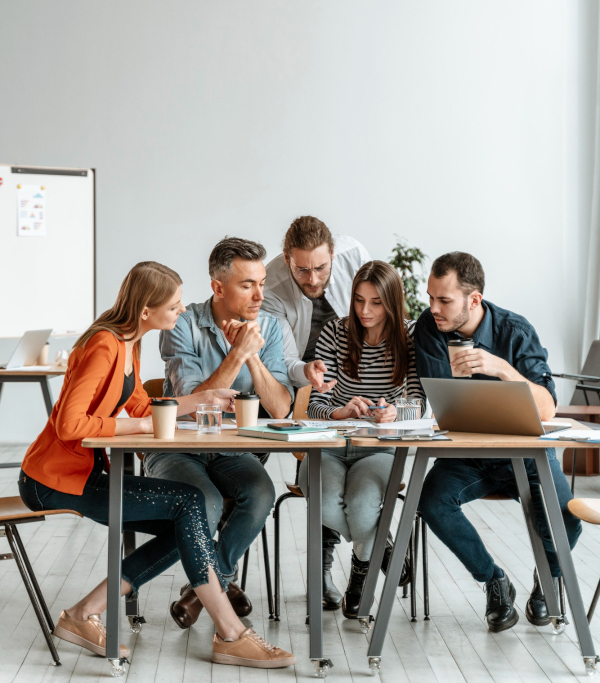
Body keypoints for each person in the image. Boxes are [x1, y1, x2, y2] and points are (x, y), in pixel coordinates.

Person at [18, 261, 295, 669]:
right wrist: (144, 424)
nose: (183, 311)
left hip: (82, 475)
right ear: (146, 310)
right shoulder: (103, 345)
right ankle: (231, 632)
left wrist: (200, 399)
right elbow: (70, 424)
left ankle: (84, 613)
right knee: (189, 505)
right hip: (53, 479)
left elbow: (142, 405)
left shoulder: (128, 344)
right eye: (175, 305)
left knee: (190, 515)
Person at [414, 251, 582, 633]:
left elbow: (548, 409)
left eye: (444, 300)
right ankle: (494, 581)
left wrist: (502, 369)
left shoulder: (514, 331)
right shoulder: (429, 327)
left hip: (524, 454)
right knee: (431, 502)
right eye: (430, 297)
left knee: (567, 521)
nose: (433, 308)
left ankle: (547, 578)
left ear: (474, 300)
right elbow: (441, 402)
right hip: (467, 455)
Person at [146, 238, 293, 629]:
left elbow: (280, 408)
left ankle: (206, 587)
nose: (261, 293)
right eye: (248, 284)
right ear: (218, 287)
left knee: (261, 493)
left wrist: (254, 355)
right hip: (178, 447)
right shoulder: (183, 323)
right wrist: (236, 354)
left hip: (231, 449)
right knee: (205, 500)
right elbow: (188, 400)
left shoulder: (271, 328)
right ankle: (221, 587)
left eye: (262, 282)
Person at [298, 260, 425, 619]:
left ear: (392, 302)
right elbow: (315, 404)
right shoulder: (335, 333)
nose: (365, 311)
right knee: (321, 499)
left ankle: (360, 575)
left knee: (364, 505)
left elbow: (417, 403)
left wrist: (393, 413)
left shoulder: (409, 336)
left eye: (376, 303)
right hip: (331, 445)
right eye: (358, 300)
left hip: (380, 448)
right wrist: (339, 412)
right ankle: (382, 547)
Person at [262, 216, 370, 609]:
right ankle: (323, 572)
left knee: (352, 470)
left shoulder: (355, 254)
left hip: (357, 373)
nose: (311, 279)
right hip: (305, 380)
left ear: (334, 256)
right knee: (319, 468)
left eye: (320, 268)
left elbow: (376, 313)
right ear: (287, 260)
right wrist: (307, 374)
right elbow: (284, 357)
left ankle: (368, 556)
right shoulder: (272, 284)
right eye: (302, 270)